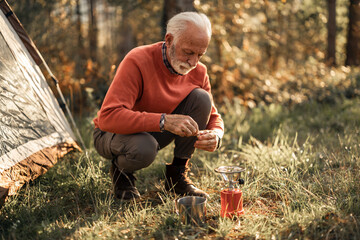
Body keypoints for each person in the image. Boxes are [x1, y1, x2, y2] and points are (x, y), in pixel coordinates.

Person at [93, 12, 224, 200]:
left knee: (202, 98)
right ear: (169, 40)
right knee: (144, 148)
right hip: (111, 134)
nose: (194, 62)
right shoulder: (138, 60)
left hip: (153, 131)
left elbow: (212, 116)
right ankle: (122, 173)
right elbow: (108, 117)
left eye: (200, 55)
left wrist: (216, 135)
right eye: (188, 52)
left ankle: (177, 176)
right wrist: (163, 121)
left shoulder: (199, 71)